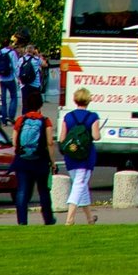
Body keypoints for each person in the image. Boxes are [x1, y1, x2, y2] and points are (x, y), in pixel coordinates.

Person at [11, 88, 57, 225]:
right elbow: (49, 142)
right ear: (40, 105)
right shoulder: (45, 121)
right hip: (40, 161)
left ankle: (22, 221)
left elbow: (14, 141)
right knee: (43, 191)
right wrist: (53, 162)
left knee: (22, 192)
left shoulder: (20, 120)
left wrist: (20, 153)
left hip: (22, 161)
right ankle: (48, 219)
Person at [60, 86, 102, 224]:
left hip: (71, 155)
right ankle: (69, 219)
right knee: (79, 185)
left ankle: (90, 218)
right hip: (86, 156)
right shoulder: (93, 117)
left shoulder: (68, 116)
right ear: (88, 100)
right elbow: (96, 136)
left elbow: (62, 138)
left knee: (81, 186)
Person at [0, 37, 23, 126]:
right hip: (10, 79)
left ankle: (3, 118)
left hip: (0, 79)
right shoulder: (12, 53)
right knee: (13, 97)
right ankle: (11, 117)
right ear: (8, 44)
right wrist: (18, 78)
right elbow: (15, 66)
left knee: (3, 99)